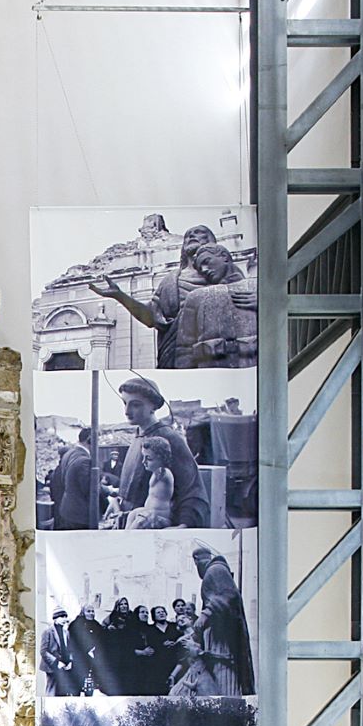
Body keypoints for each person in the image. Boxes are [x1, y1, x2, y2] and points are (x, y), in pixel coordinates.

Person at [87, 223, 254, 369]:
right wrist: (120, 296)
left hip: (217, 352)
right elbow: (151, 317)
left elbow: (242, 306)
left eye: (199, 233)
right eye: (188, 235)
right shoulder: (171, 281)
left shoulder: (224, 272)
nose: (192, 236)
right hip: (175, 353)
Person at [113, 377, 211, 528]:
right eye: (125, 403)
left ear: (153, 406)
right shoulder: (138, 436)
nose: (126, 411)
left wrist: (183, 525)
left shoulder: (169, 438)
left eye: (136, 405)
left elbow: (192, 491)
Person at [175, 241, 259, 367]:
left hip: (254, 371)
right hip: (211, 372)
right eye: (200, 268)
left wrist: (267, 305)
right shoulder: (195, 298)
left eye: (207, 261)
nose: (204, 270)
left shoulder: (257, 286)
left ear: (224, 257)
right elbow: (183, 352)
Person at [191, 543, 256, 695]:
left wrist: (205, 614)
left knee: (224, 675)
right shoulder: (215, 570)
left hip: (222, 637)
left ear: (197, 560)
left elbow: (228, 595)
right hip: (217, 635)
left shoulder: (216, 570)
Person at [48, 426, 101, 531]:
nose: (98, 445)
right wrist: (107, 489)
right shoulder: (84, 460)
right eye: (97, 441)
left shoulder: (69, 453)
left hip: (67, 509)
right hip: (79, 515)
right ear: (90, 440)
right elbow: (90, 490)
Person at [124, 436, 176, 529]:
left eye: (148, 458)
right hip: (149, 513)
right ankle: (127, 533)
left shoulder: (164, 472)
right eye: (143, 457)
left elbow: (162, 472)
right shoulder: (155, 472)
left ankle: (130, 535)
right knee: (133, 514)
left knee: (139, 522)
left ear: (161, 458)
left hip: (159, 517)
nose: (143, 461)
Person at [41, 609, 83, 698]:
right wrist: (56, 662)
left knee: (63, 692)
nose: (65, 619)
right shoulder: (48, 632)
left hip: (64, 666)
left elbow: (70, 649)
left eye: (65, 617)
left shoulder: (66, 632)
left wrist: (70, 661)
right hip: (52, 667)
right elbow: (44, 651)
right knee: (52, 692)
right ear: (55, 619)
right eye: (62, 617)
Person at [65, 602, 105, 698]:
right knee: (77, 684)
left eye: (92, 611)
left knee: (90, 684)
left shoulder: (97, 625)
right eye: (88, 611)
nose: (91, 613)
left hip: (92, 659)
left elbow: (101, 640)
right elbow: (72, 641)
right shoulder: (75, 624)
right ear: (83, 612)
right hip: (79, 658)